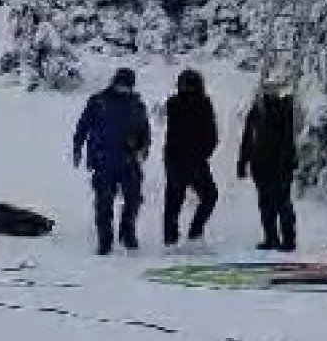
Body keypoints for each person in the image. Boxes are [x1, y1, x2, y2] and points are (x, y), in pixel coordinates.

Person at [73, 68, 151, 255]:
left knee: (133, 199)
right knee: (104, 202)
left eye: (127, 86)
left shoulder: (137, 104)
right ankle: (105, 240)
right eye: (121, 85)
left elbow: (144, 130)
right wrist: (77, 148)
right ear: (115, 83)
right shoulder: (98, 101)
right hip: (103, 160)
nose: (124, 89)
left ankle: (127, 233)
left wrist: (143, 147)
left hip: (129, 160)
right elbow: (83, 126)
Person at [237, 78, 299, 252]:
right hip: (262, 165)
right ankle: (271, 237)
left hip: (279, 165)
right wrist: (243, 161)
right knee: (266, 203)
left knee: (281, 202)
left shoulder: (284, 111)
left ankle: (288, 240)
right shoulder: (257, 112)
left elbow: (288, 139)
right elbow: (248, 138)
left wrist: (285, 161)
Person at [162, 69, 219, 250]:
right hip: (193, 159)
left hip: (176, 159)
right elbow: (211, 134)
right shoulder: (203, 104)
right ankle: (194, 232)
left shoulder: (174, 104)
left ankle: (171, 238)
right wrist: (204, 152)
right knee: (209, 196)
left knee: (174, 199)